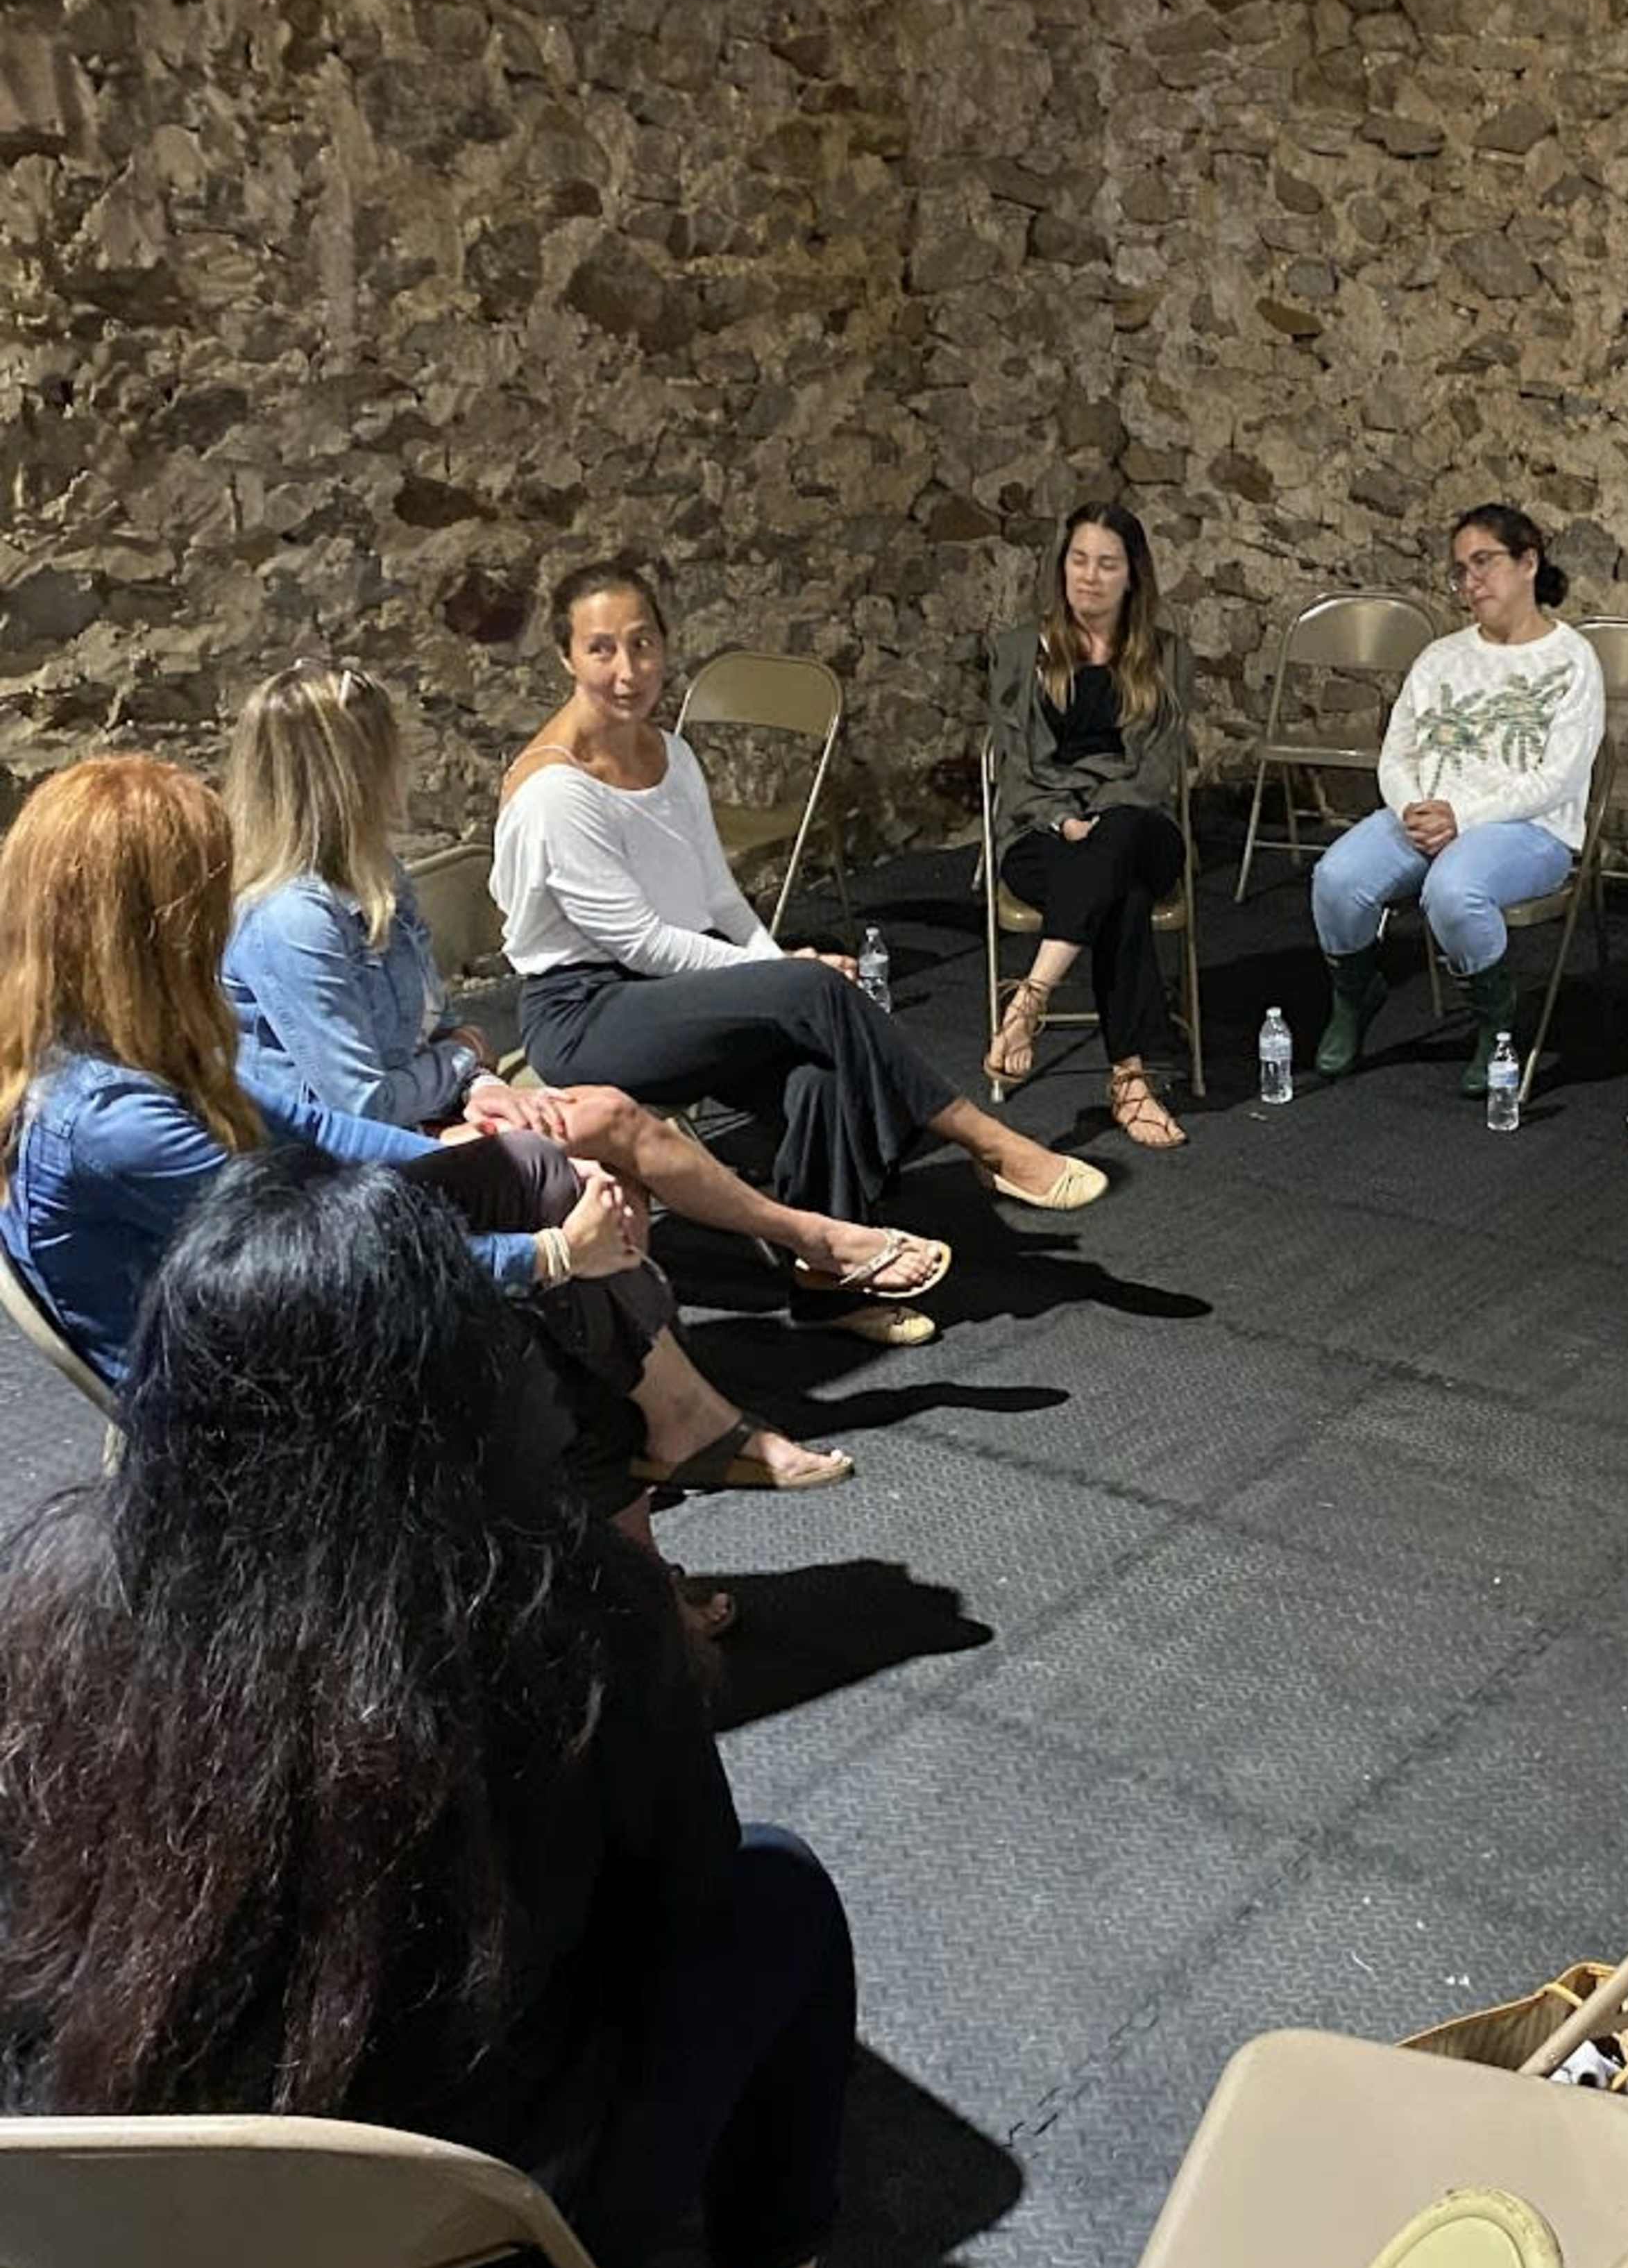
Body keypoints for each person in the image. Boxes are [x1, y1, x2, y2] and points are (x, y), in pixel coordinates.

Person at [0, 1146, 856, 2268]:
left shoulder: (43, 1625)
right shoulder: (572, 1621)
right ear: (462, 1376)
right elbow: (688, 1903)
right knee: (776, 1893)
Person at [0, 759, 846, 1578]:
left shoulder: (127, 1046)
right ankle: (625, 1583)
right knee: (534, 1338)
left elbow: (318, 1126)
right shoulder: (111, 1120)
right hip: (237, 1391)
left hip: (255, 1296)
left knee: (525, 1167)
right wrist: (549, 1256)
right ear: (154, 927)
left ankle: (657, 1487)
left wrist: (505, 1168)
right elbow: (323, 1264)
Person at [223, 661, 949, 1339]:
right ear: (345, 771)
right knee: (604, 1164)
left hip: (428, 1103)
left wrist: (478, 1082)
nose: (398, 768)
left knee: (627, 1115)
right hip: (342, 1155)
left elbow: (435, 1024)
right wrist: (462, 1064)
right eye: (384, 751)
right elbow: (363, 1108)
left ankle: (802, 1264)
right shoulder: (295, 920)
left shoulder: (378, 874)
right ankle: (806, 1251)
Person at [494, 564, 1105, 1217]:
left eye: (643, 644)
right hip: (585, 1013)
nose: (628, 670)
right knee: (813, 988)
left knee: (817, 1068)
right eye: (601, 649)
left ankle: (830, 1276)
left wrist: (777, 975)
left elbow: (722, 899)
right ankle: (989, 1143)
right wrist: (785, 975)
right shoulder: (556, 791)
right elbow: (643, 945)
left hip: (668, 991)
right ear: (566, 657)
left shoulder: (673, 755)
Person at [1309, 502, 1606, 1090]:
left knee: (1455, 890)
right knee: (1337, 878)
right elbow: (1398, 753)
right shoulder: (1441, 656)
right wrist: (1411, 809)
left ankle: (1497, 1024)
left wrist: (1461, 816)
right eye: (1461, 571)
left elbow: (1559, 777)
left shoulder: (1572, 659)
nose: (1471, 583)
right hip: (1429, 816)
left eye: (1484, 564)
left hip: (1529, 827)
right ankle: (1353, 998)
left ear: (1528, 562)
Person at [985, 505, 1191, 1150]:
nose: (1090, 577)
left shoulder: (1166, 655)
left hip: (1138, 826)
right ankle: (1131, 1081)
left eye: (1107, 564)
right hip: (1041, 830)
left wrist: (1097, 821)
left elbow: (1158, 769)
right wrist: (1060, 819)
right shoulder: (1020, 650)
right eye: (1079, 560)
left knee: (1122, 836)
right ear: (1061, 566)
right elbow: (1014, 763)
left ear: (1133, 576)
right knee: (1119, 894)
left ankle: (1029, 1000)